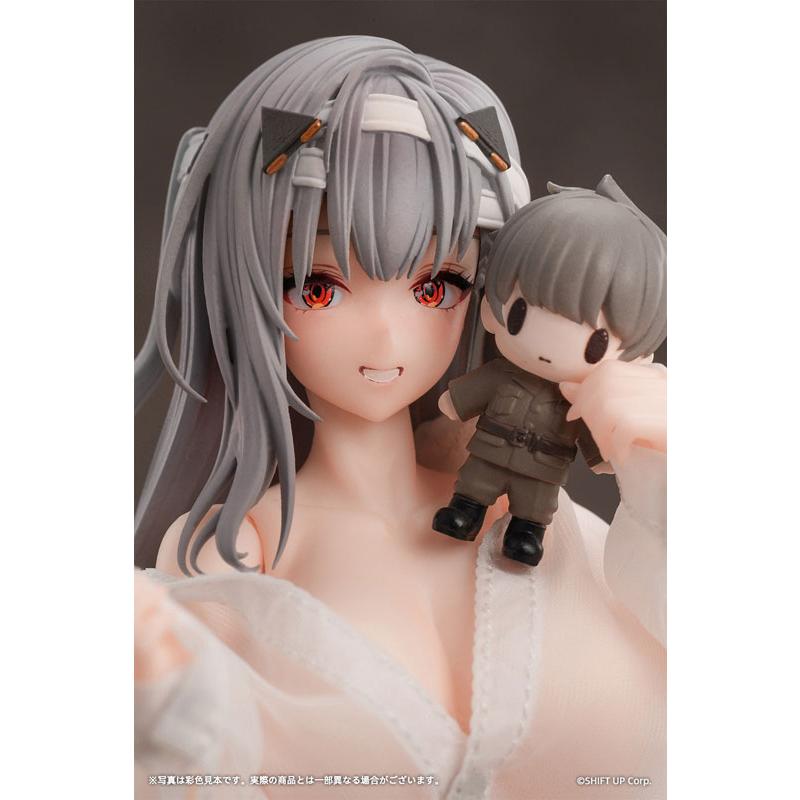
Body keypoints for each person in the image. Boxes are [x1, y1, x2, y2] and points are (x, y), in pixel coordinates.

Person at [134, 36, 666, 799]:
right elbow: (192, 758)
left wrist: (664, 476)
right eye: (318, 286)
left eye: (436, 285)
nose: (388, 338)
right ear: (241, 283)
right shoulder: (239, 548)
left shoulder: (543, 523)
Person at [433, 175, 667, 568]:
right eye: (520, 313)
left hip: (543, 470)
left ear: (636, 354)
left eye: (596, 343)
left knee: (535, 504)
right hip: (489, 452)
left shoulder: (577, 400)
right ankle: (465, 511)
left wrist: (603, 455)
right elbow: (467, 395)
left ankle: (526, 533)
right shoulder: (500, 374)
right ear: (493, 308)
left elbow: (593, 439)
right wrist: (455, 403)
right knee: (475, 483)